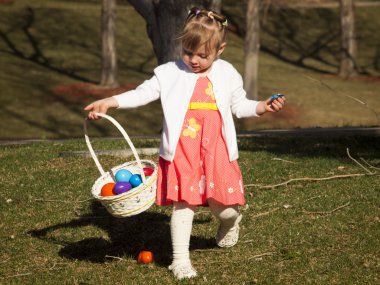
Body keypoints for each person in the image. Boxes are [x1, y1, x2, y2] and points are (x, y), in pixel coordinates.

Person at [85, 7, 285, 280]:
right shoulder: (169, 73)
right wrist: (111, 101)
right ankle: (180, 260)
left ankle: (231, 223)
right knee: (184, 204)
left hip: (218, 151)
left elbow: (240, 105)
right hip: (183, 152)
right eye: (188, 52)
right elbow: (142, 93)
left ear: (220, 49)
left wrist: (263, 106)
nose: (193, 60)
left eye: (203, 55)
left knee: (224, 208)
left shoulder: (228, 74)